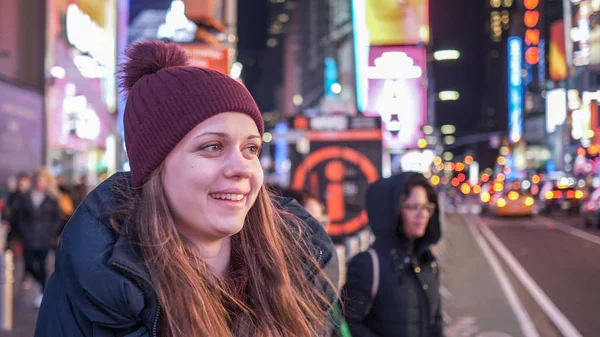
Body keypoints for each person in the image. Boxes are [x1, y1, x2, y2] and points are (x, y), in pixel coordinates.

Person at [35, 40, 337, 337]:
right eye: (213, 147)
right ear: (155, 168)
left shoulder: (302, 272)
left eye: (251, 149)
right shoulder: (91, 290)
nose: (242, 168)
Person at [342, 172, 443, 337]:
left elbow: (436, 322)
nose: (422, 215)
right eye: (412, 207)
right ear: (392, 211)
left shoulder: (427, 261)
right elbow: (349, 324)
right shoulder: (367, 264)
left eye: (426, 207)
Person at [11, 169, 62, 307]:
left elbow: (58, 218)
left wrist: (51, 232)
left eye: (42, 180)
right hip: (29, 237)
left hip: (44, 238)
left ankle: (42, 292)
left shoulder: (51, 199)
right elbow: (20, 216)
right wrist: (23, 231)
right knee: (28, 264)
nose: (39, 182)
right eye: (37, 179)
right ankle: (44, 285)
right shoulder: (26, 197)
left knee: (41, 264)